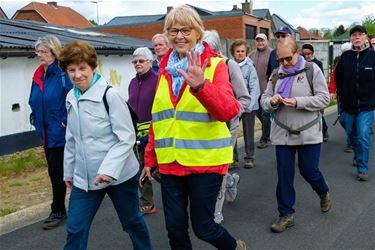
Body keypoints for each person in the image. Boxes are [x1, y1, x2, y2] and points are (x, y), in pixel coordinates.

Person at [140, 5, 246, 250]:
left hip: (205, 162)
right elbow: (160, 118)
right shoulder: (163, 71)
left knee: (204, 227)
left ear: (198, 32)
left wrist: (201, 87)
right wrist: (149, 158)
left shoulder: (216, 65)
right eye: (173, 31)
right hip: (170, 164)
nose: (179, 36)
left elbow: (229, 111)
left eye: (185, 30)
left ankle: (233, 247)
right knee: (175, 230)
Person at [60, 40, 152, 250]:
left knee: (132, 222)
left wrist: (109, 170)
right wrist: (69, 171)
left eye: (82, 68)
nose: (77, 75)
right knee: (75, 228)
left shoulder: (109, 96)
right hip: (85, 178)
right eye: (71, 70)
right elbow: (72, 138)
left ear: (93, 67)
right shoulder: (70, 97)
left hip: (118, 175)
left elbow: (127, 137)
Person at [261, 37, 332, 233]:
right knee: (284, 174)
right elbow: (264, 100)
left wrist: (298, 102)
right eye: (280, 59)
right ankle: (286, 214)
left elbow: (324, 98)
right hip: (282, 132)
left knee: (308, 170)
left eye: (288, 59)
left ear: (297, 53)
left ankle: (323, 191)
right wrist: (272, 102)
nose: (284, 63)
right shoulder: (276, 74)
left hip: (308, 131)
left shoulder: (311, 70)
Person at [202, 29, 251, 224]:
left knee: (219, 169)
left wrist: (231, 114)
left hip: (226, 127)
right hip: (203, 129)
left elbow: (244, 98)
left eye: (205, 48)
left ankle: (216, 211)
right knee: (208, 168)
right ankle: (232, 181)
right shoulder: (196, 65)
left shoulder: (228, 65)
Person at [28, 35, 72, 230]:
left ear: (54, 53)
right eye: (38, 51)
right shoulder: (38, 75)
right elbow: (33, 99)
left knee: (57, 172)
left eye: (44, 51)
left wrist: (65, 122)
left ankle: (58, 210)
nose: (40, 55)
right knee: (55, 171)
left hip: (61, 133)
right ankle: (60, 208)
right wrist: (34, 116)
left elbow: (73, 100)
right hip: (46, 132)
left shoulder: (62, 74)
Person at [335, 25, 375, 181]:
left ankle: (362, 167)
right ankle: (358, 153)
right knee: (351, 132)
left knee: (363, 133)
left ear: (365, 37)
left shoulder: (373, 56)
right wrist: (340, 93)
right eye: (354, 35)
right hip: (348, 105)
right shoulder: (346, 57)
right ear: (350, 38)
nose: (357, 37)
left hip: (366, 105)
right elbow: (338, 77)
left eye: (360, 34)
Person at [128, 47, 158, 214]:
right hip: (138, 133)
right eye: (135, 61)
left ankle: (181, 191)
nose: (137, 64)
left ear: (150, 62)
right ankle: (147, 202)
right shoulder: (132, 82)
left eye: (141, 61)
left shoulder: (158, 80)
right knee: (141, 167)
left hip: (155, 132)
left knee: (157, 169)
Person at [230, 39, 260, 168]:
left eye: (242, 51)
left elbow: (254, 88)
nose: (240, 54)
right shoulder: (229, 65)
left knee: (248, 132)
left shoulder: (250, 67)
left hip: (248, 105)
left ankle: (249, 157)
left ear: (246, 52)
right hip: (233, 105)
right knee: (232, 131)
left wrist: (248, 104)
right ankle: (232, 158)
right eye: (238, 51)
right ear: (233, 53)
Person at [302, 43, 329, 142]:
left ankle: (324, 130)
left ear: (312, 53)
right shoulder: (302, 64)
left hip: (316, 92)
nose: (307, 56)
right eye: (304, 54)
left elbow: (320, 78)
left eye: (308, 54)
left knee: (318, 113)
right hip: (306, 92)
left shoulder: (318, 63)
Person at [329, 42, 353, 152]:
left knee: (352, 121)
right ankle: (352, 136)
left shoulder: (357, 61)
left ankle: (351, 142)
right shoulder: (339, 64)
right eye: (344, 52)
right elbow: (334, 77)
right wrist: (332, 91)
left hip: (354, 98)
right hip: (341, 97)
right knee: (343, 120)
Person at [250, 33, 272, 149]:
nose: (260, 43)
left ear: (266, 41)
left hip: (267, 91)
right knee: (258, 113)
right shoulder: (252, 55)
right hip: (255, 91)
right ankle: (268, 130)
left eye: (262, 40)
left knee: (265, 115)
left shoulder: (272, 54)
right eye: (258, 41)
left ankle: (265, 139)